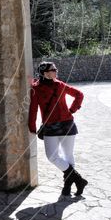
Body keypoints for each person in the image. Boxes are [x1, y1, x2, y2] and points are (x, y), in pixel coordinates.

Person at [27, 61, 88, 196]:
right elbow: (33, 109)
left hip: (68, 124)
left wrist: (72, 109)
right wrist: (32, 125)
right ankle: (78, 179)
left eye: (55, 69)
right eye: (53, 70)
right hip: (50, 127)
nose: (56, 71)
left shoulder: (60, 85)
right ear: (44, 73)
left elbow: (79, 94)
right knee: (52, 156)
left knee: (68, 156)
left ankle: (67, 185)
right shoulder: (36, 89)